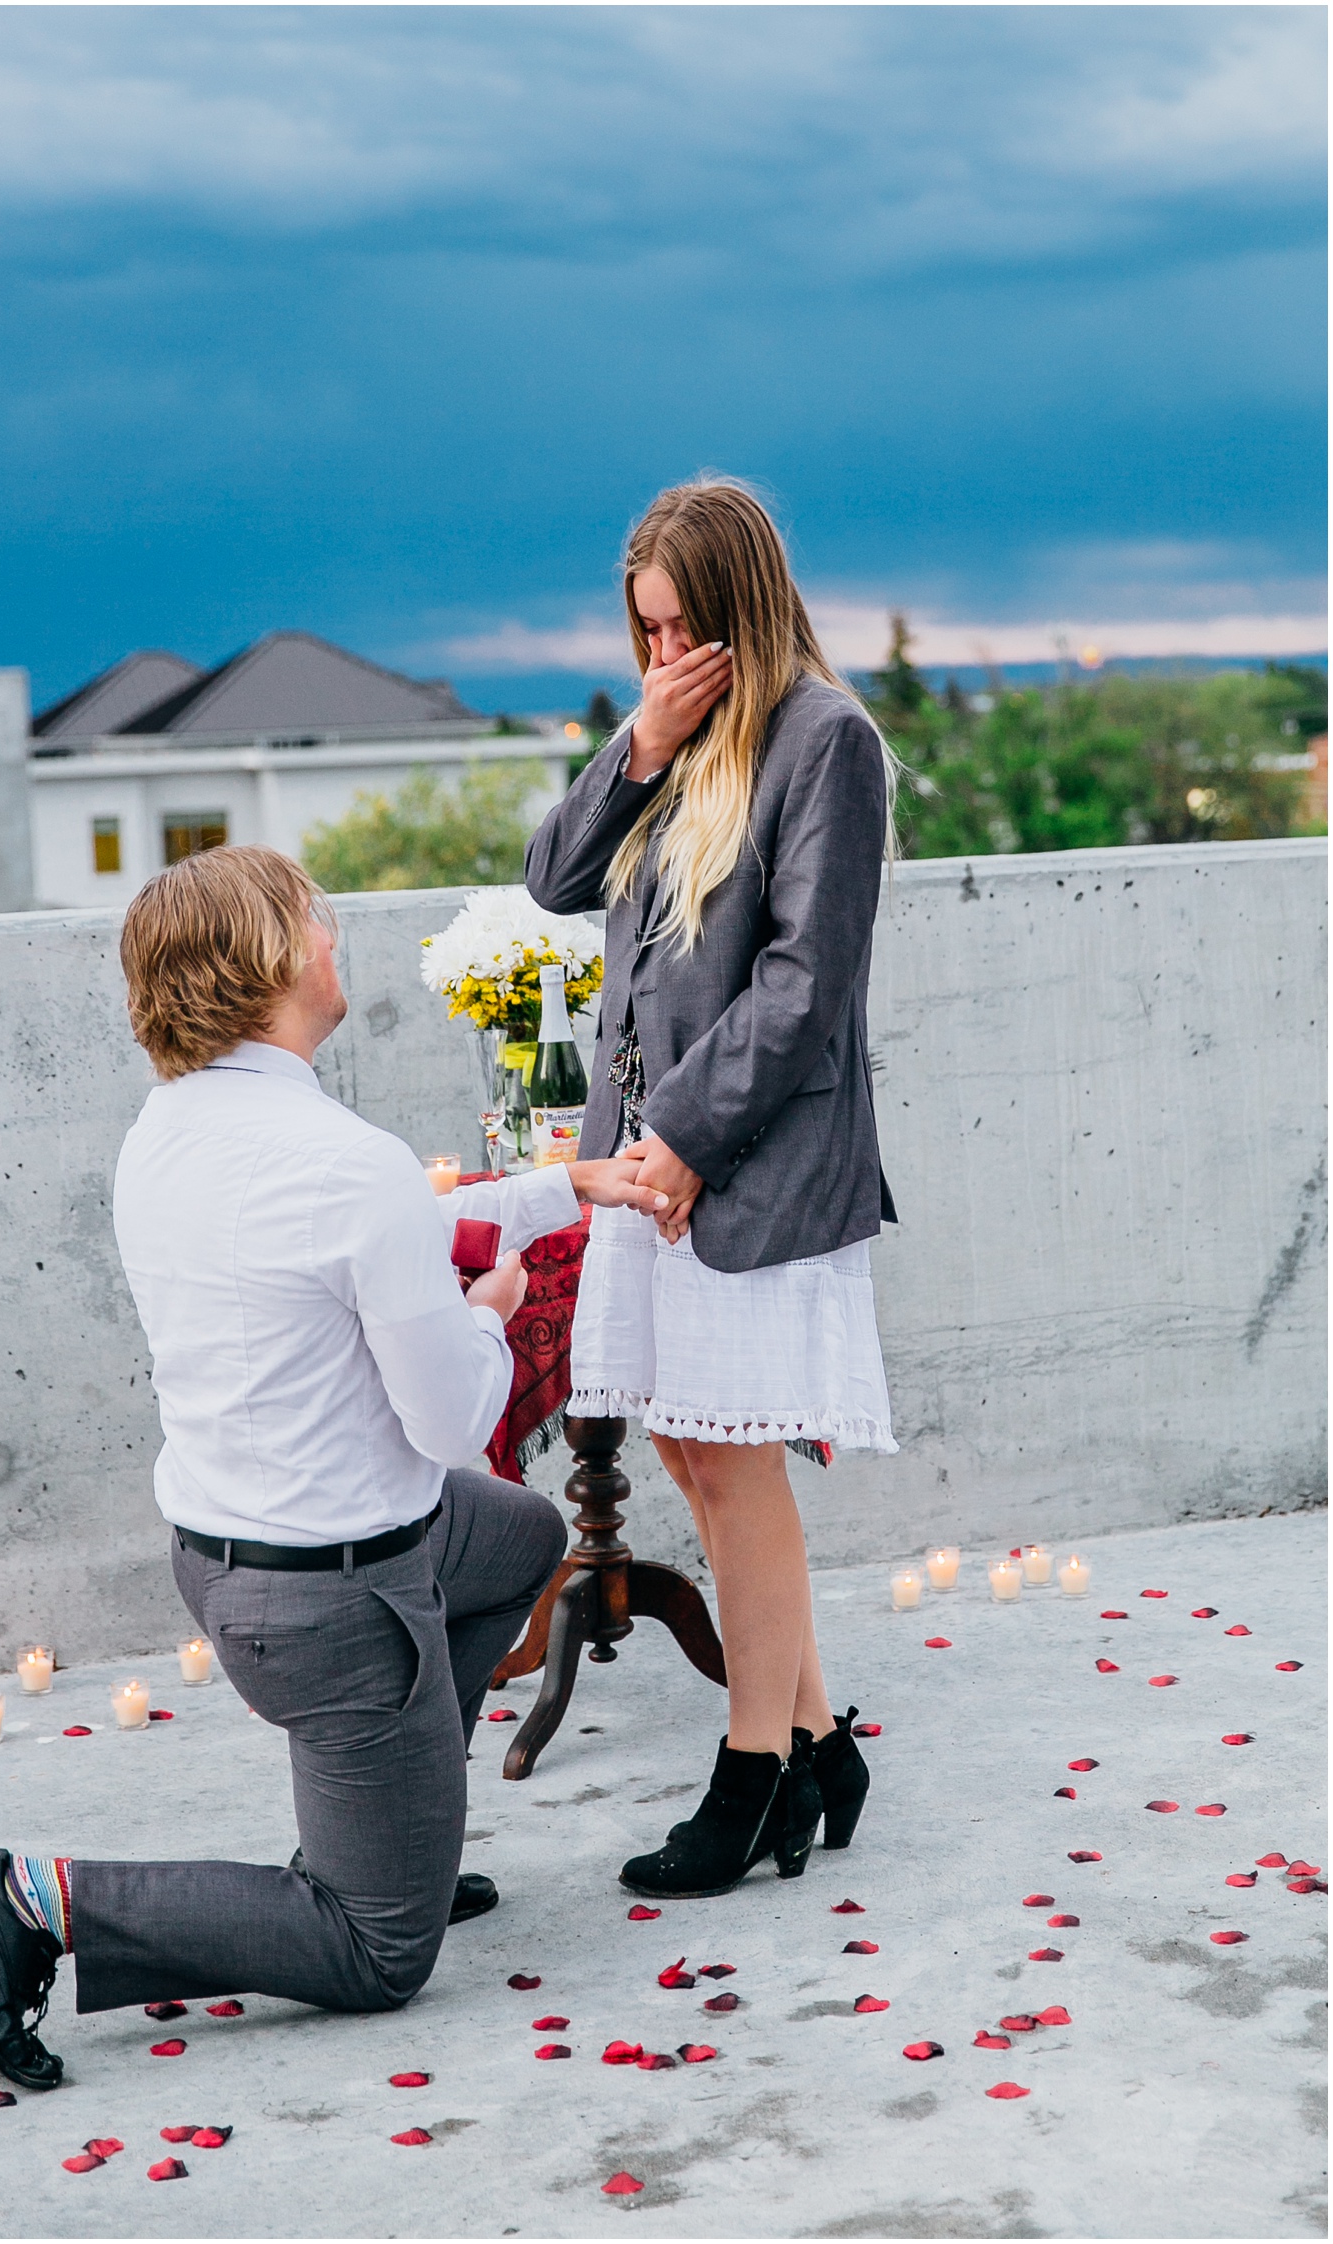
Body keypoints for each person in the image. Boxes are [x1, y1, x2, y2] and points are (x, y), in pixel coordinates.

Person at [0, 844, 669, 2091]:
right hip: (330, 1602)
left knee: (522, 1535)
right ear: (268, 965)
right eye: (314, 923)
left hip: (229, 1559)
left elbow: (342, 1242)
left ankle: (408, 1804)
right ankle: (28, 1899)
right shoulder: (342, 1159)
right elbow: (445, 1419)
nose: (333, 939)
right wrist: (488, 1311)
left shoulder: (168, 1132)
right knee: (380, 1950)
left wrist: (557, 1187)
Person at [525, 478, 901, 1901]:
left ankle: (752, 1781)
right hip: (648, 1166)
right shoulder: (672, 737)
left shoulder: (830, 744)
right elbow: (554, 877)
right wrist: (645, 737)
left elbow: (809, 983)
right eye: (645, 633)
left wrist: (685, 1137)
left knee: (733, 1467)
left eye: (686, 627)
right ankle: (817, 1750)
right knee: (688, 1453)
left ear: (744, 607)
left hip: (742, 1165)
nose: (666, 651)